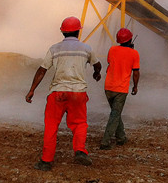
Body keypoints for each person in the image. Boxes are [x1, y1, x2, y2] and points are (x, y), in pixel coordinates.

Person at [26, 16, 102, 171]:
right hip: (78, 93)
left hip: (58, 93)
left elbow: (42, 70)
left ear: (62, 32)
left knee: (51, 126)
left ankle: (46, 161)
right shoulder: (86, 48)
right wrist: (96, 73)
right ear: (78, 32)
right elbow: (97, 64)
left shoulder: (54, 49)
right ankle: (80, 150)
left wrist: (32, 89)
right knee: (79, 123)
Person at [99, 27, 140, 150]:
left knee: (115, 113)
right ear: (130, 39)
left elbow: (111, 62)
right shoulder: (134, 53)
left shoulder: (112, 49)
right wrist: (135, 86)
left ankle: (121, 137)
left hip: (108, 87)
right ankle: (105, 141)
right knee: (115, 114)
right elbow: (136, 73)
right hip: (121, 89)